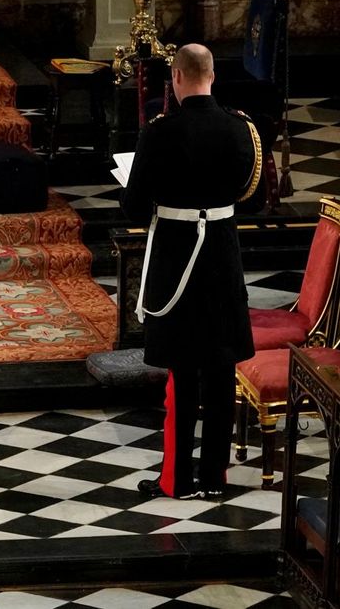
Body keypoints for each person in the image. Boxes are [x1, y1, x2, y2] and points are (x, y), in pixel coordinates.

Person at [121, 43, 262, 500]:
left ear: (177, 78)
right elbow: (252, 198)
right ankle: (215, 480)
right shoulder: (241, 129)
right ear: (212, 75)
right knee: (221, 369)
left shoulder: (160, 132)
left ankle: (177, 479)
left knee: (182, 372)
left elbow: (135, 206)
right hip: (222, 254)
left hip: (177, 256)